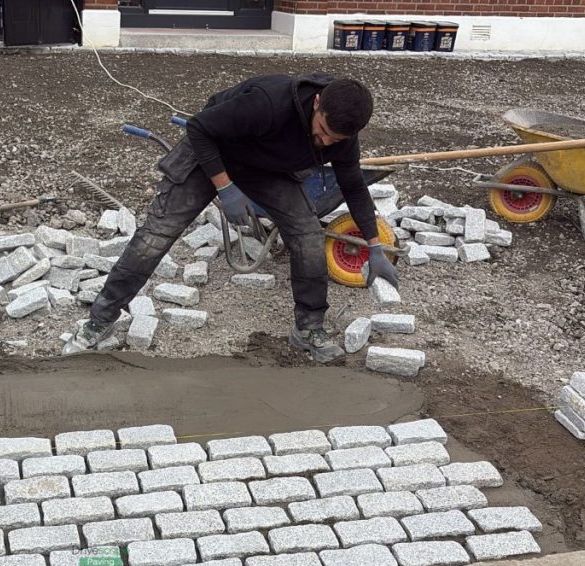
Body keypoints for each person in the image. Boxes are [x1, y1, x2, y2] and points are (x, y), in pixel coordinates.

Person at [63, 73, 399, 363]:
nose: (325, 142)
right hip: (210, 153)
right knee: (157, 234)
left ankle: (309, 329)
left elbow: (353, 185)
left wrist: (374, 246)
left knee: (308, 234)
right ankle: (100, 318)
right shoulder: (268, 103)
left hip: (266, 167)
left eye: (334, 140)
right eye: (323, 130)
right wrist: (225, 188)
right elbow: (199, 128)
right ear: (316, 103)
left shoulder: (342, 136)